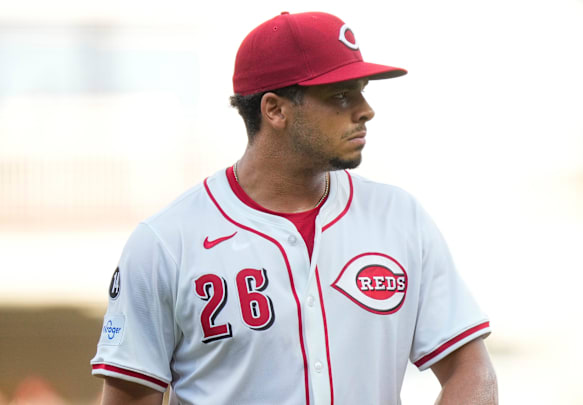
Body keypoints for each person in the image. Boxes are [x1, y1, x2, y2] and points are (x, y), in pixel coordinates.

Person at [91, 11, 497, 405]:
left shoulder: (400, 218)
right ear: (275, 110)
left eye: (362, 90)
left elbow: (470, 369)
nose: (365, 110)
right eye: (340, 95)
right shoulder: (166, 242)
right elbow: (129, 397)